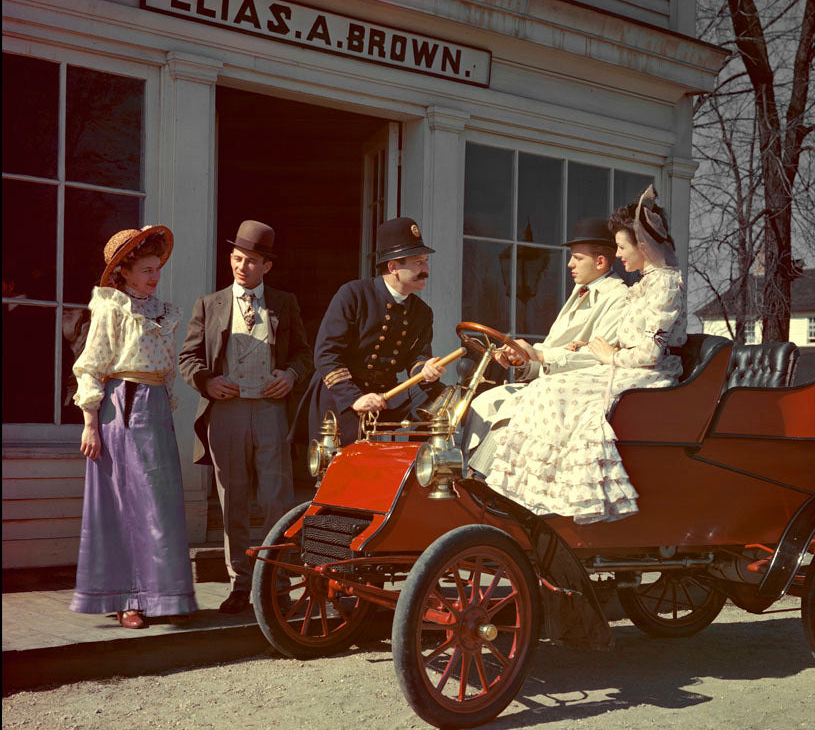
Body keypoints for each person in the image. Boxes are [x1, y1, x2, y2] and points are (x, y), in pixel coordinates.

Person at [484, 185, 687, 524]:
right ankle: (533, 491)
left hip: (650, 374)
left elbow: (651, 352)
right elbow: (631, 339)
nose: (618, 255)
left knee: (553, 390)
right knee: (544, 389)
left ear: (643, 246)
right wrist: (591, 347)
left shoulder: (664, 283)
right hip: (627, 366)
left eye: (622, 247)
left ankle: (559, 496)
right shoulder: (644, 283)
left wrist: (609, 356)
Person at [178, 221, 312, 614]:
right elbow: (188, 357)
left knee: (276, 502)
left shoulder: (284, 303)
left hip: (271, 412)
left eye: (251, 261)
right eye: (237, 258)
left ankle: (277, 584)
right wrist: (207, 382)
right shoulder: (210, 304)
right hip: (227, 413)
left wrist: (291, 375)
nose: (242, 266)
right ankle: (239, 583)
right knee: (233, 502)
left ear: (266, 266)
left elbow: (303, 355)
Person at [71, 225, 197, 628]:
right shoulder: (111, 307)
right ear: (123, 272)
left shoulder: (161, 310)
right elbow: (91, 366)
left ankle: (162, 596)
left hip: (155, 408)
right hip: (122, 408)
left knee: (159, 504)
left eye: (157, 268)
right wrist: (90, 425)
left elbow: (167, 369)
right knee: (125, 502)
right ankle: (128, 599)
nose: (154, 277)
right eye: (146, 270)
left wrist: (163, 405)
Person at [465, 216, 628, 471]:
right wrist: (523, 358)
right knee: (483, 402)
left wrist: (539, 355)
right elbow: (557, 348)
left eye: (578, 258)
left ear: (600, 261)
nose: (570, 264)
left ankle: (485, 480)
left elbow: (596, 358)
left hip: (579, 392)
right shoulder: (581, 290)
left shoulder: (618, 297)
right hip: (553, 381)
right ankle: (464, 472)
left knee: (509, 412)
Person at [293, 217, 445, 448]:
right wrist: (354, 398)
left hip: (384, 395)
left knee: (440, 396)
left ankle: (424, 460)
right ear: (393, 267)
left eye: (425, 262)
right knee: (344, 465)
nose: (426, 269)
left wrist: (425, 369)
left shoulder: (422, 312)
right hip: (340, 396)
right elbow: (326, 355)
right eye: (418, 263)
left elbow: (418, 357)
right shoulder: (353, 295)